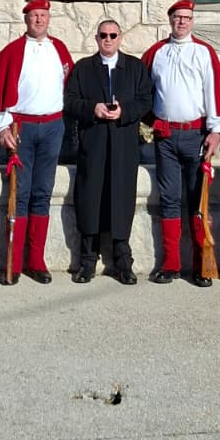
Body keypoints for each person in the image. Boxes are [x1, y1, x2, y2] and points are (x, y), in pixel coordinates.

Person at [142, 0, 220, 287]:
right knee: (169, 200)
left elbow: (213, 91)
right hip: (166, 137)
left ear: (192, 21)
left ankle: (200, 265)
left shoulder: (203, 52)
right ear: (170, 19)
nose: (182, 21)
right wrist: (151, 120)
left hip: (196, 136)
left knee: (197, 200)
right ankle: (170, 264)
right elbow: (145, 91)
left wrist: (215, 131)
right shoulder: (156, 53)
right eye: (177, 17)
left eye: (187, 17)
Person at [65, 17, 153, 284]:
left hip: (123, 144)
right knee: (90, 198)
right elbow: (70, 100)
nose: (108, 40)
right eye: (103, 35)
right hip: (93, 142)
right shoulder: (84, 68)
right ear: (96, 38)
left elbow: (146, 100)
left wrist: (124, 111)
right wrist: (93, 108)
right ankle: (87, 260)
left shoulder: (135, 68)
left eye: (113, 35)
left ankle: (122, 260)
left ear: (120, 38)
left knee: (121, 198)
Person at [0, 0, 74, 284]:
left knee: (43, 192)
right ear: (26, 19)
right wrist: (2, 127)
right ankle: (14, 261)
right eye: (34, 15)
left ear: (49, 18)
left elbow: (68, 83)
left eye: (43, 15)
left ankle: (36, 260)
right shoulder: (13, 51)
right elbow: (0, 88)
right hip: (22, 127)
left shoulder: (59, 48)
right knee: (20, 192)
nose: (39, 20)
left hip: (52, 126)